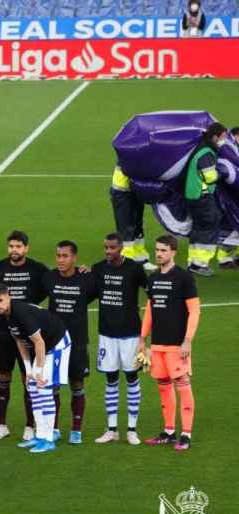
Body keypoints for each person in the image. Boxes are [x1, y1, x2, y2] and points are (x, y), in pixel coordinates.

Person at [0, 284, 70, 455]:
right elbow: (20, 341)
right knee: (33, 389)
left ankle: (48, 439)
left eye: (0, 300)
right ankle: (39, 435)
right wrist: (28, 370)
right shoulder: (6, 315)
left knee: (44, 388)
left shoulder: (21, 313)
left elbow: (39, 342)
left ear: (8, 296)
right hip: (43, 347)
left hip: (57, 344)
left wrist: (38, 370)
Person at [137, 235, 200, 451]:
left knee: (183, 387)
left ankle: (186, 434)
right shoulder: (153, 278)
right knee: (163, 388)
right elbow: (150, 310)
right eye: (157, 250)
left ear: (173, 252)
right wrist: (142, 338)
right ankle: (169, 431)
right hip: (158, 345)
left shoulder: (184, 278)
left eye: (163, 250)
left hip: (177, 345)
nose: (159, 254)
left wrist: (188, 341)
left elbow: (194, 310)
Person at [0, 230, 49, 441]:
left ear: (26, 248)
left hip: (27, 332)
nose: (14, 250)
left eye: (18, 246)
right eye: (11, 246)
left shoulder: (38, 269)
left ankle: (30, 426)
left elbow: (53, 284)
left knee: (27, 378)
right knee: (3, 375)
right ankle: (1, 425)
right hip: (4, 331)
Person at [92, 233, 147, 445]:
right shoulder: (98, 269)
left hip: (131, 334)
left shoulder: (133, 268)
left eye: (112, 248)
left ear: (121, 248)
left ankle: (132, 429)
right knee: (111, 379)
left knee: (132, 378)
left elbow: (150, 290)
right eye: (106, 247)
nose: (108, 252)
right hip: (106, 334)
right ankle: (112, 429)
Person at [41, 241, 96, 444]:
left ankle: (76, 430)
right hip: (53, 342)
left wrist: (90, 269)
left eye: (65, 256)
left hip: (78, 341)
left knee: (77, 384)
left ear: (74, 258)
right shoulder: (49, 277)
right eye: (58, 256)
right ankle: (54, 428)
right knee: (53, 385)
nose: (60, 260)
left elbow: (98, 293)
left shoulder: (86, 279)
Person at [183, 122, 227, 276]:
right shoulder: (207, 153)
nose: (224, 140)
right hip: (202, 197)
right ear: (215, 137)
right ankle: (200, 264)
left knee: (199, 229)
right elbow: (210, 178)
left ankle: (193, 262)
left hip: (194, 196)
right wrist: (223, 173)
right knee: (209, 227)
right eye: (223, 137)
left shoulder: (202, 149)